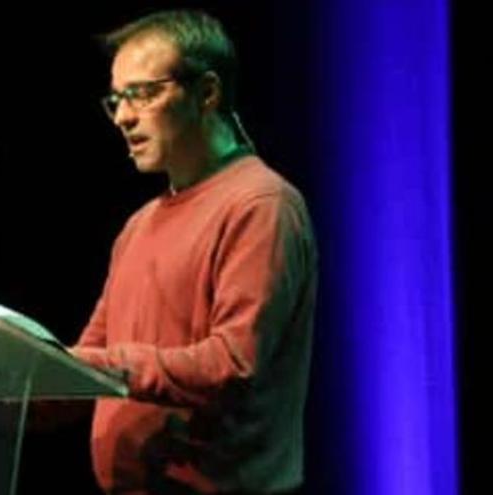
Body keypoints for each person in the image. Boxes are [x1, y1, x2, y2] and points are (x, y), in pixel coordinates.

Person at [69, 10, 318, 494]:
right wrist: (2, 372)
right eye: (117, 99)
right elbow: (88, 361)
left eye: (143, 93)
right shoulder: (137, 226)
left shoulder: (260, 205)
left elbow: (233, 363)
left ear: (207, 93)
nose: (122, 116)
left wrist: (105, 365)